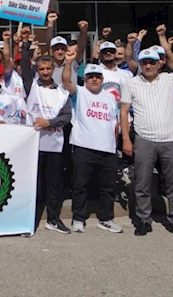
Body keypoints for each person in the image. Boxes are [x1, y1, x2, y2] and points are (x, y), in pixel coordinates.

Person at [121, 44, 173, 238]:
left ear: (159, 63)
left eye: (152, 62)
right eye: (144, 62)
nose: (148, 66)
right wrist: (126, 140)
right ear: (140, 64)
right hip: (144, 139)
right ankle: (144, 219)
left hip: (170, 140)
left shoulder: (169, 79)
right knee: (142, 184)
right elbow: (123, 112)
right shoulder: (131, 83)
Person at [62, 55, 122, 234]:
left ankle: (106, 218)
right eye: (90, 76)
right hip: (83, 147)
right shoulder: (79, 92)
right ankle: (78, 218)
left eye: (97, 76)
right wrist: (68, 62)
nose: (94, 79)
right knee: (80, 185)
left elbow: (115, 120)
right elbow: (66, 81)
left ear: (102, 79)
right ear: (85, 79)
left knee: (108, 187)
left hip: (107, 148)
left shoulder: (111, 97)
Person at [20, 34, 73, 234]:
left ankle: (53, 219)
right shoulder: (31, 85)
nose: (44, 72)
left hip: (54, 143)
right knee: (32, 183)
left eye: (47, 69)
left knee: (53, 184)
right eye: (41, 69)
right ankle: (27, 221)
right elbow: (25, 66)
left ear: (53, 70)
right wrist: (25, 45)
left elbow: (67, 115)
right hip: (33, 144)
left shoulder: (62, 92)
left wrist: (50, 122)